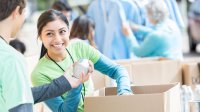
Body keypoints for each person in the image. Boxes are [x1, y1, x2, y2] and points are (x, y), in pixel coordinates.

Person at [31, 9, 132, 112]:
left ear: (69, 32)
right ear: (40, 37)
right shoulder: (39, 74)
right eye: (49, 34)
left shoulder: (79, 47)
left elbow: (117, 70)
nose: (57, 39)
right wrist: (76, 82)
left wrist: (124, 92)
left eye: (62, 32)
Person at [0, 0, 91, 111]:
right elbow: (21, 103)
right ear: (17, 11)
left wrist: (64, 82)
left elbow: (18, 94)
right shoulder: (11, 59)